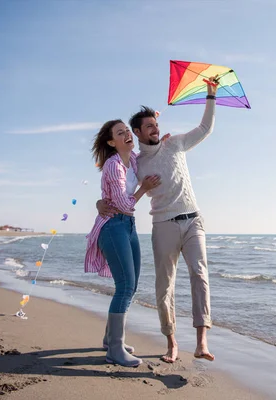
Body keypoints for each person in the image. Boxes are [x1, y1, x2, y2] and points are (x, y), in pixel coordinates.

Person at [98, 76, 218, 363]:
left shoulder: (175, 144)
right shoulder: (137, 162)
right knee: (165, 286)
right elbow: (119, 184)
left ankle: (202, 342)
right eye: (149, 126)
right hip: (163, 225)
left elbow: (204, 128)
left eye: (157, 124)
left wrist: (210, 96)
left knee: (200, 274)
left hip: (193, 220)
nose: (156, 129)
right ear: (137, 132)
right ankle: (172, 343)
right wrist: (101, 200)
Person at [85, 119, 161, 367]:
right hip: (113, 226)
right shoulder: (113, 165)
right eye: (120, 133)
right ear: (111, 142)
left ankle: (110, 340)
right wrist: (144, 189)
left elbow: (150, 152)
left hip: (129, 226)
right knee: (125, 286)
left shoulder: (134, 160)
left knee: (132, 284)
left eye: (127, 130)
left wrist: (163, 138)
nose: (127, 134)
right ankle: (115, 350)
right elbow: (123, 204)